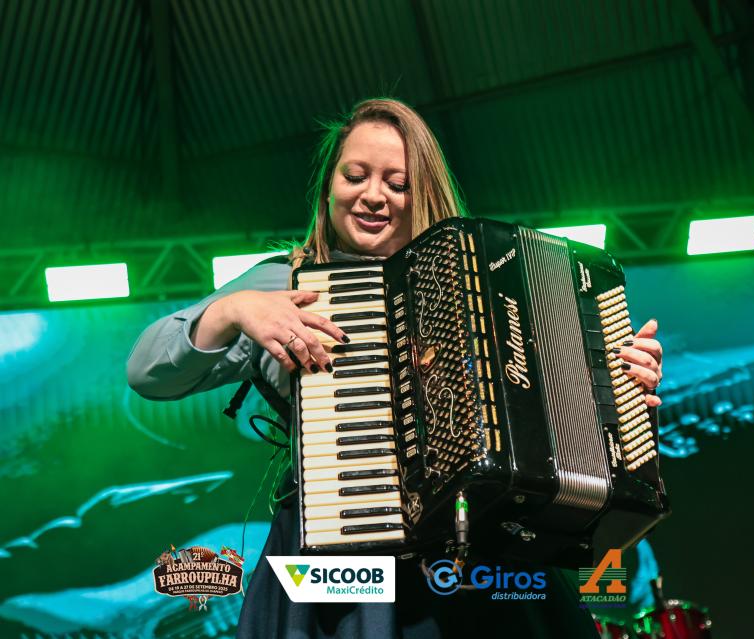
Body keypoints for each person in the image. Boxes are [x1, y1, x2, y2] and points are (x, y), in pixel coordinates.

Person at [127, 98, 664, 638]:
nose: (372, 195)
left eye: (397, 183)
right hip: (346, 570)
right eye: (354, 175)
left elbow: (554, 421)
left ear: (422, 193)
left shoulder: (484, 282)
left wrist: (616, 389)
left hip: (488, 563)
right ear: (328, 186)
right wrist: (230, 310)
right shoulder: (282, 283)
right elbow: (147, 372)